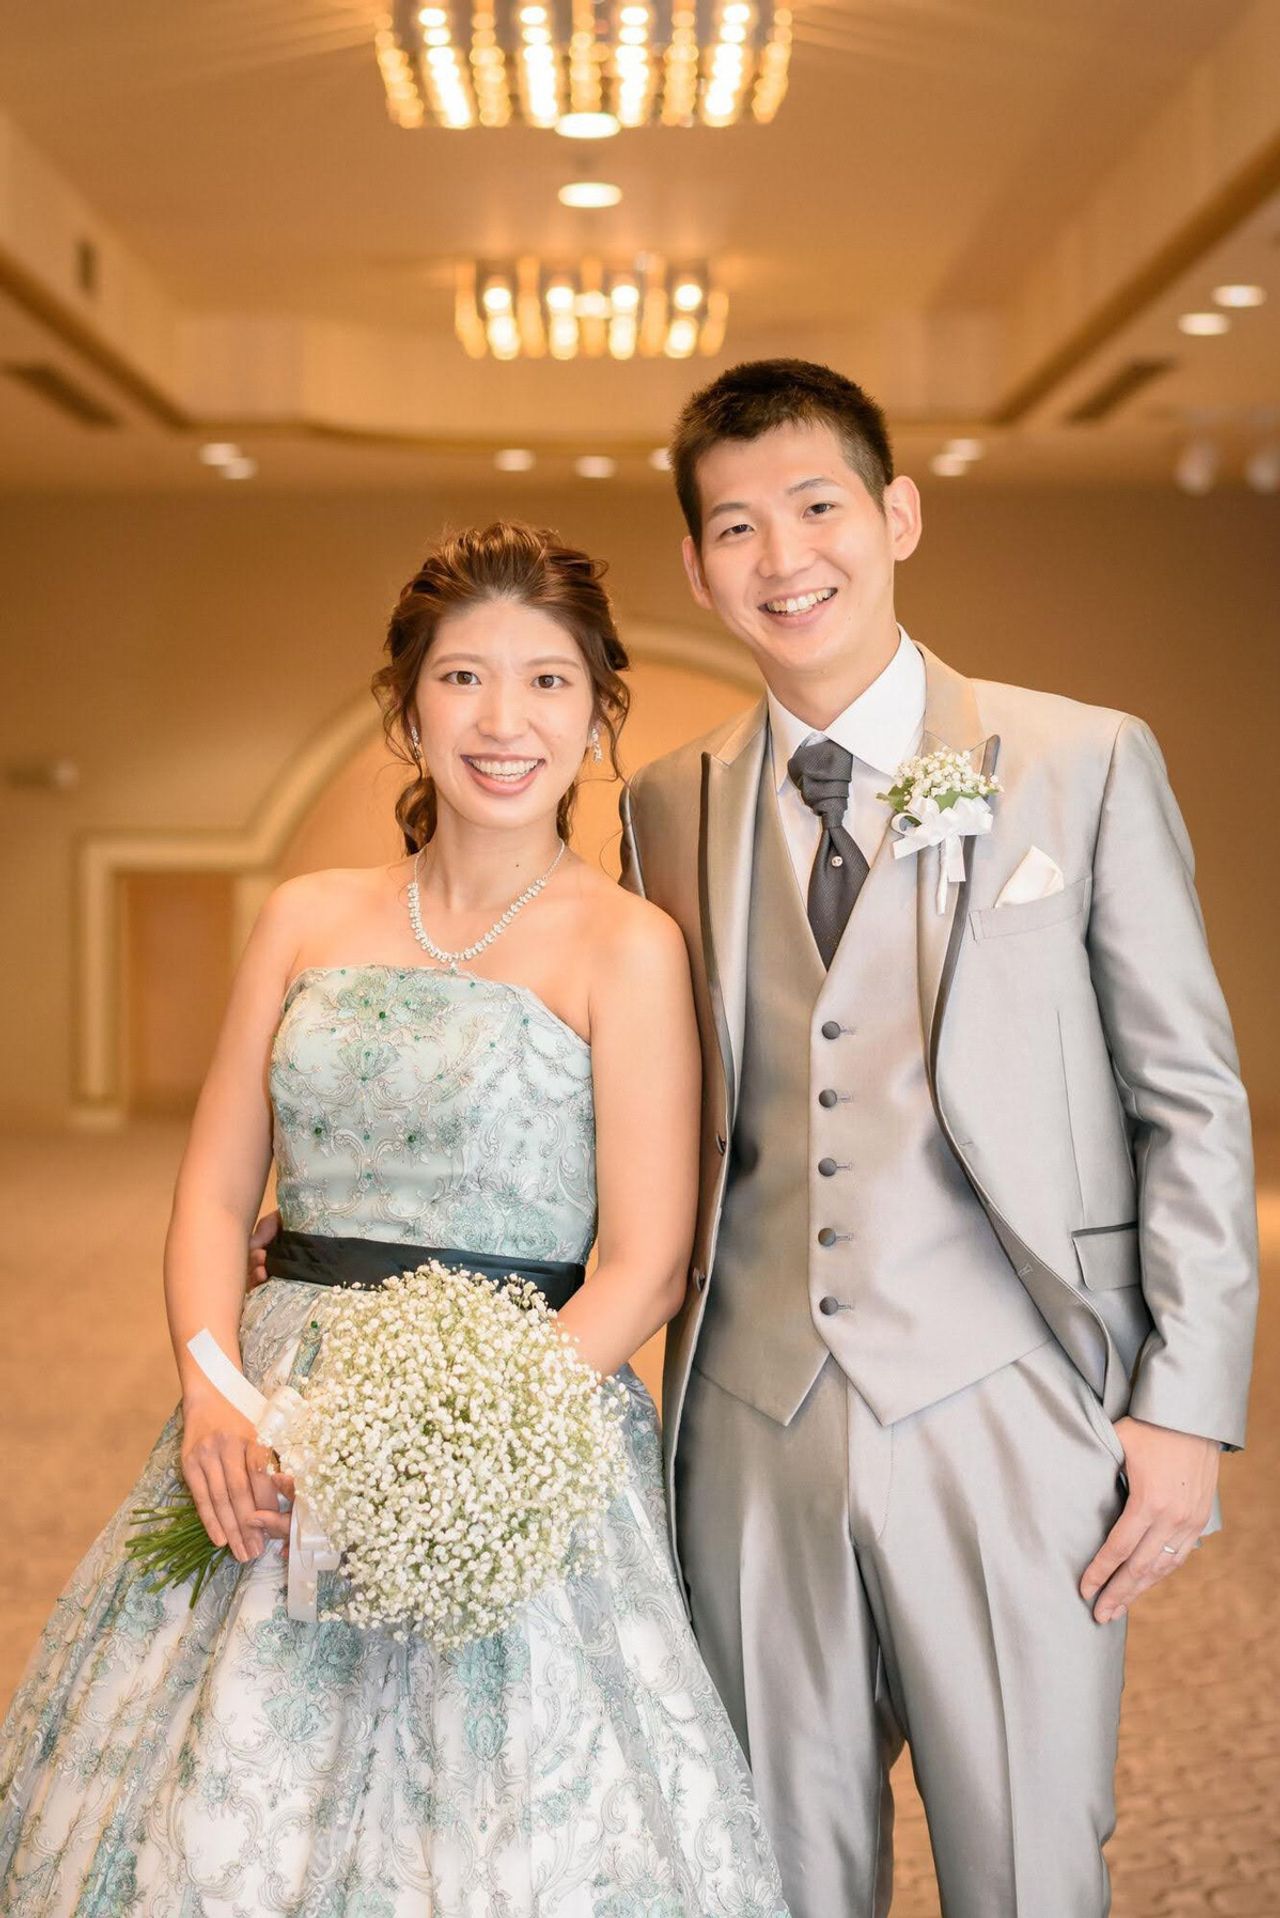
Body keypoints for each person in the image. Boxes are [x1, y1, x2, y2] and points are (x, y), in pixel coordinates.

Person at [0, 522, 789, 1917]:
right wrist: (214, 1387)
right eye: (463, 677)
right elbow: (215, 1192)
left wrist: (460, 1438)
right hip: (273, 1407)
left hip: (519, 1415)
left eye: (547, 681)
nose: (504, 721)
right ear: (409, 705)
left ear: (596, 709)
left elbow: (645, 1262)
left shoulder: (628, 943)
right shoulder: (306, 916)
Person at [618, 359, 1259, 1918]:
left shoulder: (1080, 760)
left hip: (1012, 1403)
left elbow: (1188, 1098)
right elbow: (639, 1107)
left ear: (898, 514)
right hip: (749, 1424)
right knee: (771, 1874)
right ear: (697, 568)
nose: (785, 558)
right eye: (738, 528)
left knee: (1029, 1866)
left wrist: (1187, 1405)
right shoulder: (663, 809)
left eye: (818, 507)